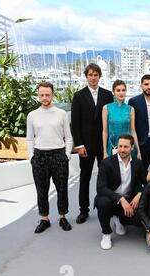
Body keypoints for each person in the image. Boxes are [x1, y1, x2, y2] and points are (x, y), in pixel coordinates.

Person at [26, 82, 73, 233]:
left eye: (48, 94)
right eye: (42, 95)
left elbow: (69, 137)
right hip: (39, 156)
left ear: (53, 95)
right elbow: (30, 139)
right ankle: (44, 218)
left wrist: (67, 156)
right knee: (41, 189)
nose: (45, 98)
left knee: (62, 189)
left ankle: (62, 216)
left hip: (59, 155)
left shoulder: (61, 114)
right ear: (38, 95)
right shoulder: (32, 115)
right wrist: (31, 157)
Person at [71, 63, 114, 224]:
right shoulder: (79, 96)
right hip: (86, 146)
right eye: (90, 75)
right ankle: (84, 210)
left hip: (104, 144)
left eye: (96, 75)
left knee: (106, 179)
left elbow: (110, 120)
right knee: (85, 177)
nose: (93, 77)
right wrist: (79, 145)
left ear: (100, 76)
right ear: (86, 76)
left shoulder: (107, 94)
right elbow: (74, 123)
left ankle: (105, 208)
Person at [95, 134, 144, 250]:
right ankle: (106, 233)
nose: (122, 150)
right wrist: (120, 199)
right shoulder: (106, 163)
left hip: (128, 199)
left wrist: (139, 194)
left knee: (138, 221)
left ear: (132, 148)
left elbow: (147, 183)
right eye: (120, 146)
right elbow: (101, 188)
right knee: (103, 203)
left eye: (126, 147)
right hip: (111, 199)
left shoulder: (137, 163)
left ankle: (118, 218)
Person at [128, 74, 150, 176]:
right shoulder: (134, 101)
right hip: (141, 142)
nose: (149, 87)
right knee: (142, 171)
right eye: (146, 84)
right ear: (141, 86)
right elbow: (132, 125)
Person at [102, 80, 141, 160]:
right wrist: (105, 151)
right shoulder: (106, 108)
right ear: (113, 92)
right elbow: (105, 131)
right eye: (118, 90)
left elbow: (133, 131)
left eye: (123, 90)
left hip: (128, 146)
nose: (121, 93)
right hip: (113, 146)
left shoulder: (130, 109)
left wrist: (139, 151)